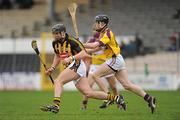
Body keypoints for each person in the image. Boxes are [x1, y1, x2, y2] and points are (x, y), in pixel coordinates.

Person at [40, 23, 125, 113]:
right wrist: (53, 68)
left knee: (58, 81)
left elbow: (84, 53)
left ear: (63, 33)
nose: (55, 36)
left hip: (77, 65)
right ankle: (117, 98)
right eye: (54, 34)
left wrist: (71, 58)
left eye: (57, 33)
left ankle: (56, 105)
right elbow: (57, 55)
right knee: (89, 93)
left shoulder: (71, 41)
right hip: (73, 67)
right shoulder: (55, 43)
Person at [83, 15, 156, 114]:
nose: (95, 24)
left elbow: (95, 45)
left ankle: (108, 97)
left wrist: (81, 43)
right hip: (117, 59)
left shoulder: (107, 33)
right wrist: (82, 49)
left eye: (97, 22)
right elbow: (97, 49)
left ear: (103, 24)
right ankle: (149, 98)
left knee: (95, 75)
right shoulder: (102, 34)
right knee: (127, 85)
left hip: (114, 60)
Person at [81, 27, 126, 110]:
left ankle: (119, 103)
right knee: (88, 86)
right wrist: (80, 47)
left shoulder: (105, 40)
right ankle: (84, 105)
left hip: (107, 65)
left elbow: (99, 49)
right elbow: (87, 50)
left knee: (113, 86)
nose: (94, 31)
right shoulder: (91, 40)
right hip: (94, 66)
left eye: (95, 30)